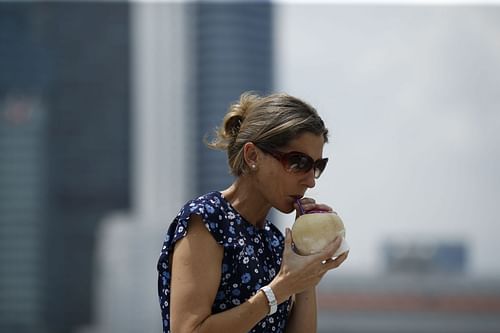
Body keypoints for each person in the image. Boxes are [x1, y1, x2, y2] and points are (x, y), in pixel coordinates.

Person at [157, 91, 348, 333]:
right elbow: (187, 330)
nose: (310, 181)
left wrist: (305, 268)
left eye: (317, 166)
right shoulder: (206, 220)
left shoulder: (276, 241)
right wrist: (280, 289)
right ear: (252, 155)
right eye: (298, 163)